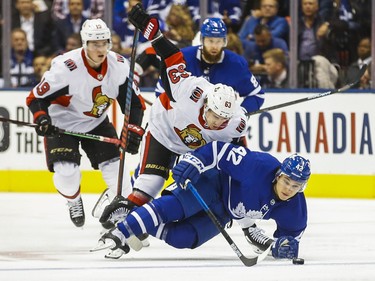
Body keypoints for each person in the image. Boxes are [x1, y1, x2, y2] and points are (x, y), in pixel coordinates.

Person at [98, 4, 250, 232]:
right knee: (150, 183)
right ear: (205, 103)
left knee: (213, 185)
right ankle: (124, 222)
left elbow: (239, 154)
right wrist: (153, 33)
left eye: (223, 119)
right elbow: (170, 56)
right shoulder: (189, 90)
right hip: (164, 131)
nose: (218, 122)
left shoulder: (236, 123)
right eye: (215, 115)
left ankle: (249, 226)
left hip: (195, 148)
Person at [94, 140, 311, 259]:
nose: (289, 189)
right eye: (286, 182)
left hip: (225, 212)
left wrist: (283, 247)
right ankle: (121, 231)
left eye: (296, 186)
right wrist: (195, 162)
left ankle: (131, 215)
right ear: (278, 175)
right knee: (171, 208)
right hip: (214, 183)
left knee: (183, 238)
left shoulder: (295, 209)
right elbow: (219, 149)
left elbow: (290, 238)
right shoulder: (258, 166)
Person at [25, 18, 145, 227]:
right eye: (95, 44)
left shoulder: (119, 66)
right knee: (67, 173)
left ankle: (117, 211)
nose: (101, 49)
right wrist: (42, 118)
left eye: (104, 43)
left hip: (95, 121)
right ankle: (73, 200)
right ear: (85, 44)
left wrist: (133, 130)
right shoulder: (66, 67)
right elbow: (35, 98)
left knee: (120, 179)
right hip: (62, 123)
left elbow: (134, 104)